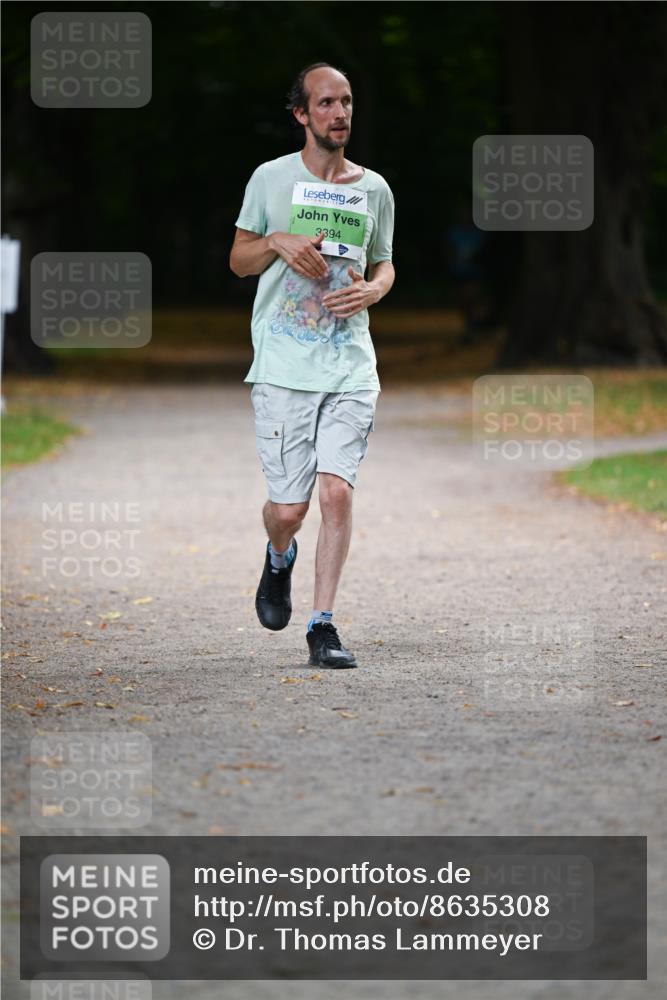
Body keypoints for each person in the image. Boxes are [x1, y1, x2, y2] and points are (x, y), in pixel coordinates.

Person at [230, 62, 395, 669]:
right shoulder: (270, 179)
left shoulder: (372, 189)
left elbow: (385, 264)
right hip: (282, 363)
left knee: (335, 496)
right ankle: (279, 556)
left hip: (350, 362)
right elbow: (238, 260)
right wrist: (276, 242)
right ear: (302, 114)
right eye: (326, 103)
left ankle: (322, 626)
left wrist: (374, 292)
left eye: (347, 102)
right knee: (291, 510)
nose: (340, 113)